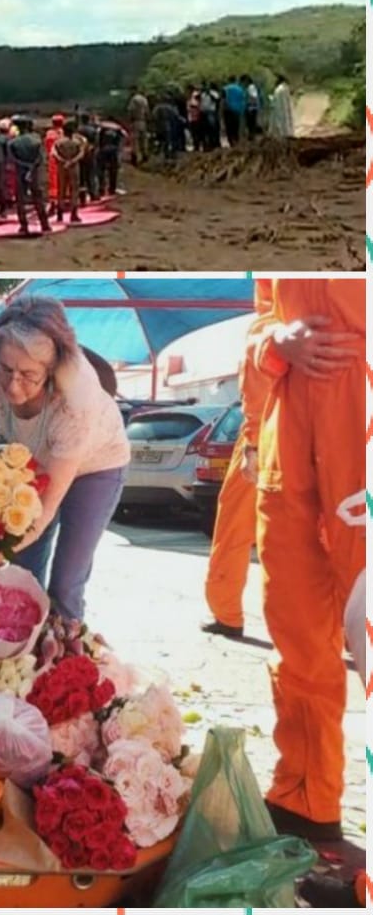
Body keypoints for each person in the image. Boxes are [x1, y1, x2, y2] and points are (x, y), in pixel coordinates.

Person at [249, 279, 364, 845]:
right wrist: (275, 340)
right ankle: (305, 799)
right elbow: (259, 322)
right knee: (295, 630)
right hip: (289, 431)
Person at [0, 298, 131, 622]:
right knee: (24, 576)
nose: (12, 385)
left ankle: (66, 659)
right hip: (27, 457)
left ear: (51, 371)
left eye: (28, 376)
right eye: (6, 370)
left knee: (66, 582)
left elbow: (46, 508)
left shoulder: (78, 396)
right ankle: (23, 656)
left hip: (94, 466)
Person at [202, 281, 276, 639]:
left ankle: (227, 614)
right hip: (321, 434)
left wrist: (251, 447)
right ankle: (343, 626)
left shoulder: (266, 329)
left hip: (267, 439)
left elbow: (256, 391)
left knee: (235, 528)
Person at [8, 116, 51, 237]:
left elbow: (12, 159)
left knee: (20, 200)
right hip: (34, 172)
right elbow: (40, 157)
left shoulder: (13, 142)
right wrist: (32, 167)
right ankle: (44, 223)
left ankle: (23, 225)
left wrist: (25, 166)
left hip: (20, 171)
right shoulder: (36, 139)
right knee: (38, 197)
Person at [51, 120, 85, 223]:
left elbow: (53, 153)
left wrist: (62, 161)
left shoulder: (58, 142)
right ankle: (73, 214)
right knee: (74, 190)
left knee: (61, 190)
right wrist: (71, 161)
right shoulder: (77, 142)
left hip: (61, 167)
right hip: (73, 167)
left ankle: (59, 214)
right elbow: (81, 153)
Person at [96, 120, 124, 197]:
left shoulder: (102, 128)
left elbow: (98, 139)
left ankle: (101, 189)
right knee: (113, 171)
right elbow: (123, 138)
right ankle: (112, 189)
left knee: (101, 170)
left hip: (103, 150)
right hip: (113, 151)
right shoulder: (118, 129)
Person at [126, 90, 150, 165]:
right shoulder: (144, 99)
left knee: (134, 141)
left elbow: (130, 110)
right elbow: (147, 111)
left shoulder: (134, 99)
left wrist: (129, 120)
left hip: (135, 122)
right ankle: (145, 155)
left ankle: (134, 157)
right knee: (143, 140)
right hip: (143, 121)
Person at [267, 73, 294, 138]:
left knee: (279, 124)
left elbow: (275, 102)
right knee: (286, 122)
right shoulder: (286, 88)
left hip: (278, 110)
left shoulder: (278, 90)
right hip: (285, 110)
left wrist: (271, 100)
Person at [222, 75, 246, 145]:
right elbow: (242, 100)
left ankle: (231, 143)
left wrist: (220, 112)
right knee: (236, 128)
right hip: (237, 111)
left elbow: (223, 101)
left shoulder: (225, 89)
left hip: (228, 110)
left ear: (228, 80)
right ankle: (236, 143)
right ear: (235, 80)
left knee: (229, 128)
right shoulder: (240, 89)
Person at [243, 74, 262, 139]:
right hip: (251, 107)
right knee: (251, 124)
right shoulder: (251, 87)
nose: (243, 84)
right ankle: (251, 137)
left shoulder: (251, 87)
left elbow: (254, 96)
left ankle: (252, 137)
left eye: (244, 82)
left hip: (251, 108)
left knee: (251, 124)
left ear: (246, 80)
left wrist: (250, 106)